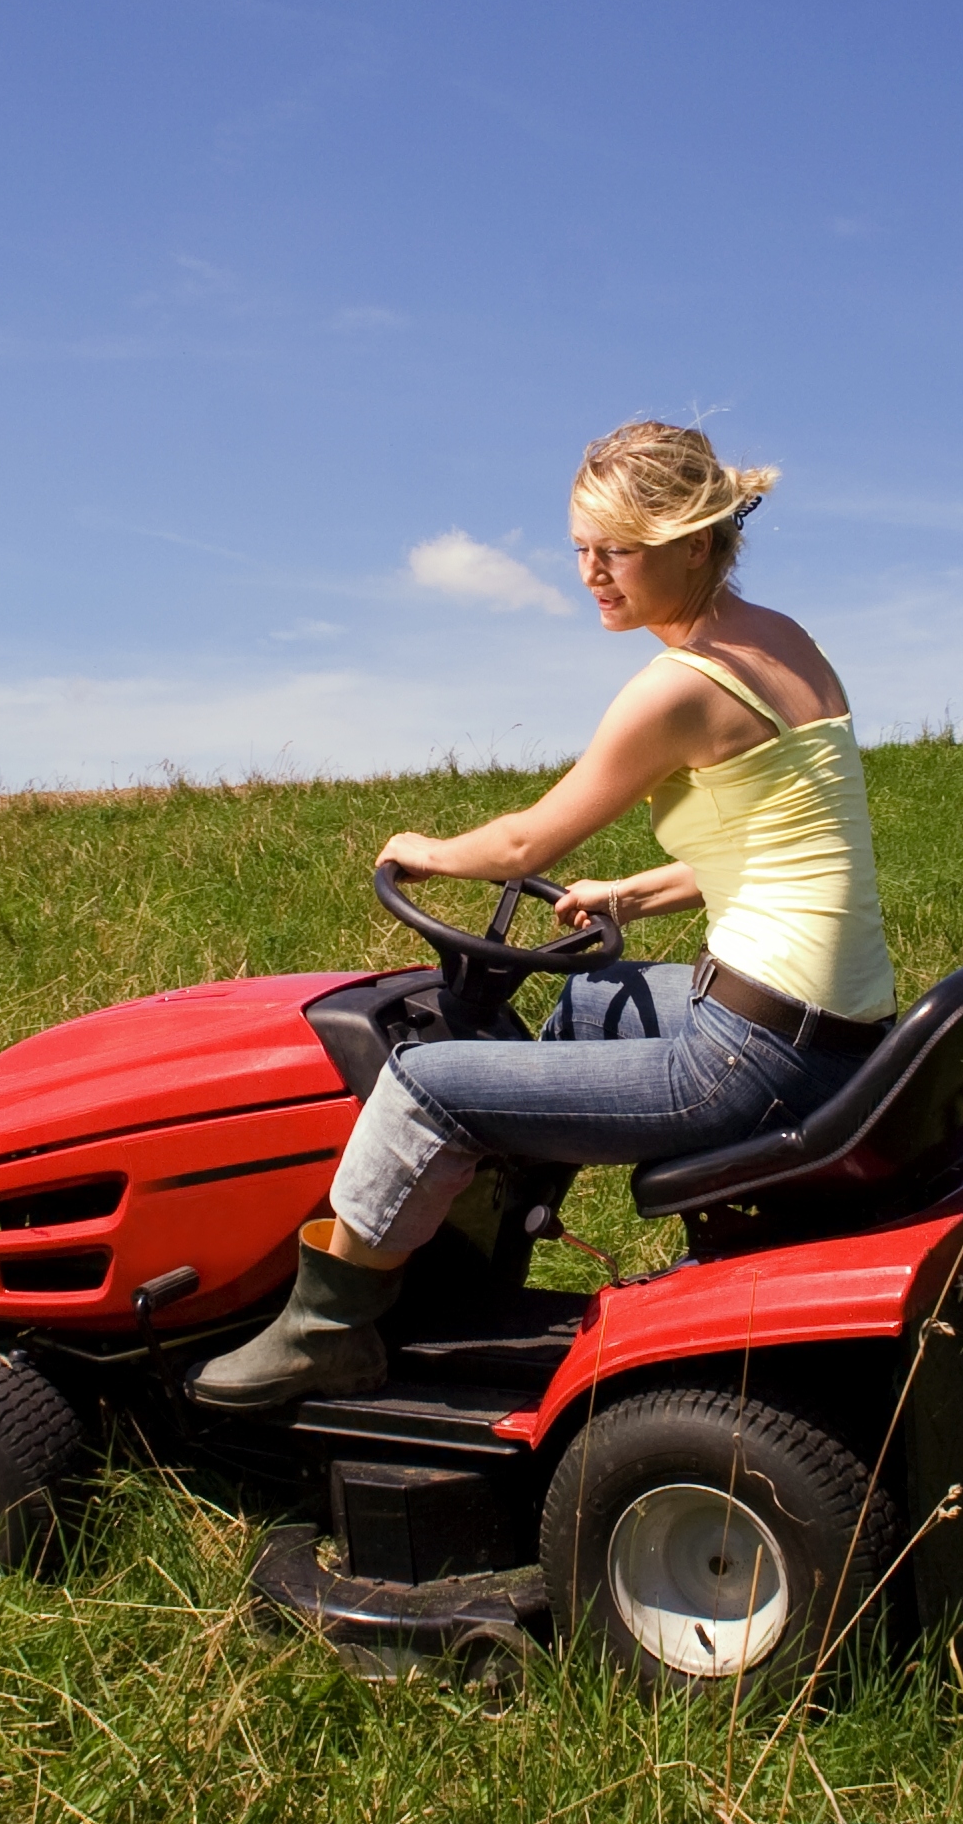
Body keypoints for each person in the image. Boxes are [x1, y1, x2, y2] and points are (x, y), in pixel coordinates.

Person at [190, 420, 896, 1409]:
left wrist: (425, 851)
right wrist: (634, 893)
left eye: (618, 550)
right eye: (580, 548)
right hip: (835, 1029)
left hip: (756, 1059)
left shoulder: (681, 687)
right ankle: (489, 1272)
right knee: (592, 1003)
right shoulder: (782, 641)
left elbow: (525, 848)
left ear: (695, 542)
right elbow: (792, 843)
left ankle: (325, 1331)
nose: (592, 573)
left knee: (422, 1086)